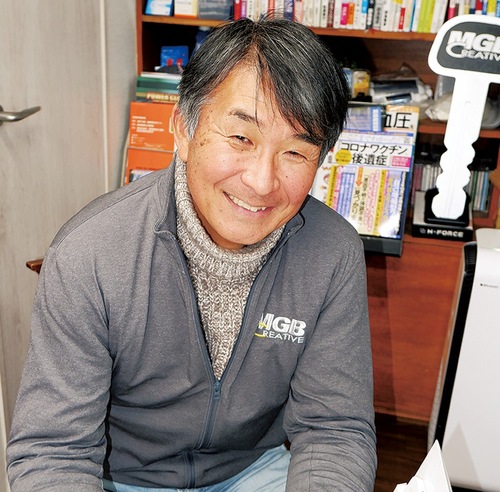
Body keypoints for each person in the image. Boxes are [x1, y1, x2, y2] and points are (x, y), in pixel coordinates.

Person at [6, 17, 377, 491]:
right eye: (241, 138)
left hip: (251, 470)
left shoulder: (332, 254)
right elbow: (54, 452)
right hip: (122, 478)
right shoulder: (90, 255)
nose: (262, 181)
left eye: (295, 153)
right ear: (183, 127)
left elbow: (335, 431)